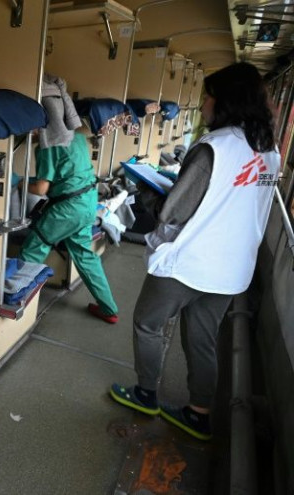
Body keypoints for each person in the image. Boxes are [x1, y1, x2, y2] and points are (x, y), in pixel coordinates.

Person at [109, 62, 281, 441]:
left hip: (190, 261)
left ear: (225, 102)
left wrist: (155, 202)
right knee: (202, 338)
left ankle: (146, 393)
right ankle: (199, 413)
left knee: (148, 324)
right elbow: (252, 199)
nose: (202, 104)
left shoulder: (213, 149)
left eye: (207, 96)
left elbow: (176, 212)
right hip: (233, 268)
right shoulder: (270, 152)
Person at [19, 129, 119, 324]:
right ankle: (109, 309)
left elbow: (41, 189)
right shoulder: (78, 137)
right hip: (87, 202)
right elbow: (65, 175)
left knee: (33, 248)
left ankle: (16, 302)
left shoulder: (48, 146)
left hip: (68, 209)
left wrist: (19, 183)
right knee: (85, 256)